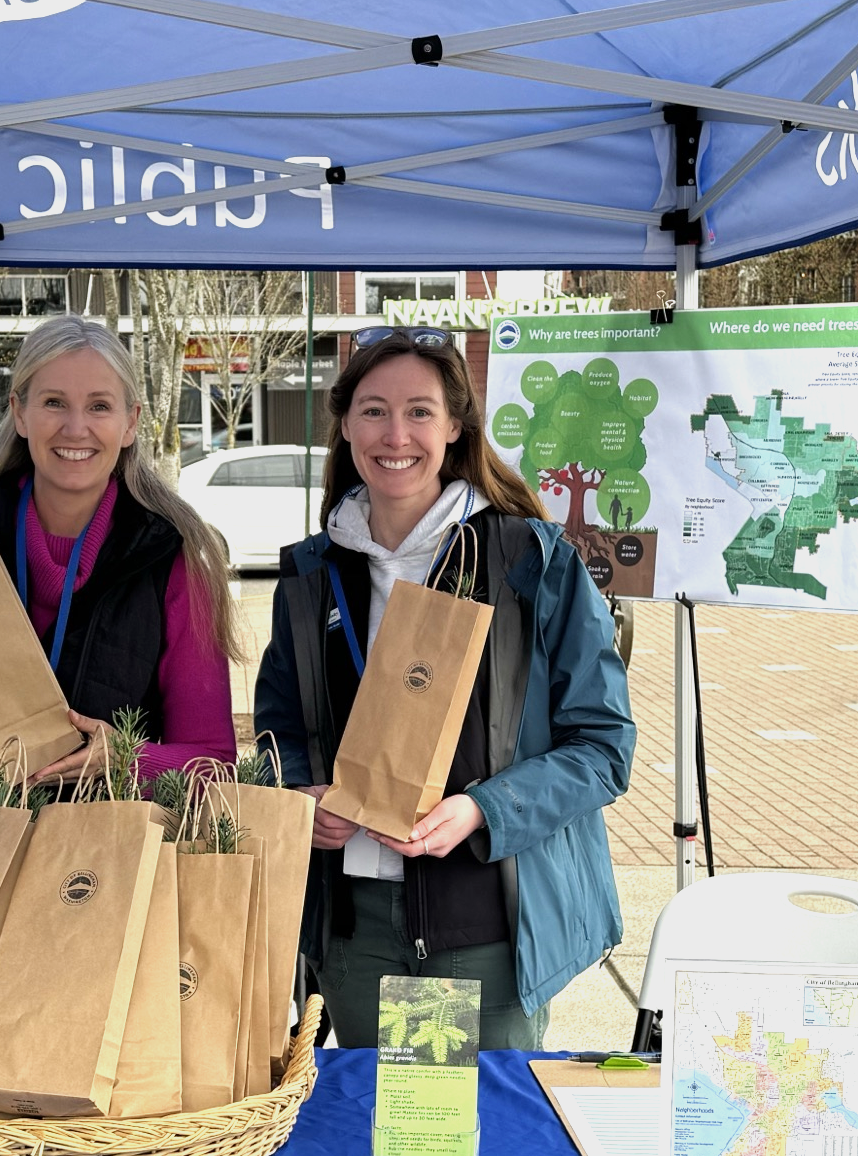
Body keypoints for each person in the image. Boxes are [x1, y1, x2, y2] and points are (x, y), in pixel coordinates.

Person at [254, 327, 634, 1051]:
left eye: (419, 411)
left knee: (477, 1149)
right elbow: (278, 731)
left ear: (455, 425)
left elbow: (603, 745)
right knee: (383, 1145)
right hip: (355, 929)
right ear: (343, 423)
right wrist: (298, 795)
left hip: (481, 928)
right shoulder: (310, 575)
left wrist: (481, 809)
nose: (395, 434)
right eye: (372, 410)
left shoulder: (528, 561)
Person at [0, 315, 239, 788]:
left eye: (99, 406)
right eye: (54, 402)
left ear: (130, 423)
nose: (76, 428)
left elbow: (213, 761)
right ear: (20, 413)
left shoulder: (173, 556)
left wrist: (128, 761)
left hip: (116, 850)